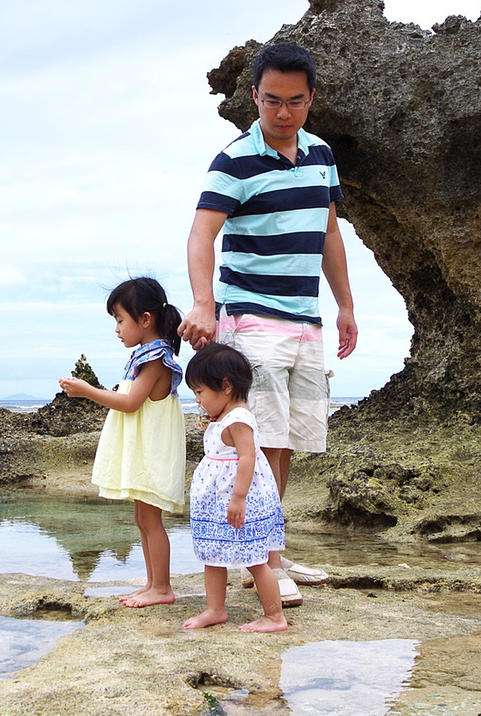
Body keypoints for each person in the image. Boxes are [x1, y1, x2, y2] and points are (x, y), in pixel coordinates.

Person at [179, 42, 358, 603]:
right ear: (254, 95)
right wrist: (203, 304)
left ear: (311, 99)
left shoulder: (322, 154)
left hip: (305, 321)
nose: (283, 113)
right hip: (252, 316)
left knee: (288, 442)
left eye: (296, 102)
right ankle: (267, 563)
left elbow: (330, 234)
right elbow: (202, 233)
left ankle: (272, 549)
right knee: (264, 437)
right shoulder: (234, 160)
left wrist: (345, 305)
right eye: (272, 101)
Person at [59, 277, 187, 607]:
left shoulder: (157, 357)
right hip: (143, 447)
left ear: (145, 319)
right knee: (142, 519)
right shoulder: (145, 355)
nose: (117, 329)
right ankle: (152, 583)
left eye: (120, 320)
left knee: (151, 519)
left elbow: (130, 403)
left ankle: (162, 588)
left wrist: (87, 390)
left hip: (151, 449)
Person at [182, 343, 288, 633]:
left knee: (255, 560)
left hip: (239, 502)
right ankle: (215, 609)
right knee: (212, 556)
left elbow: (247, 457)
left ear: (225, 386)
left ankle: (275, 616)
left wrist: (239, 497)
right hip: (219, 501)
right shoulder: (226, 416)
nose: (198, 399)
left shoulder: (240, 419)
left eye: (201, 392)